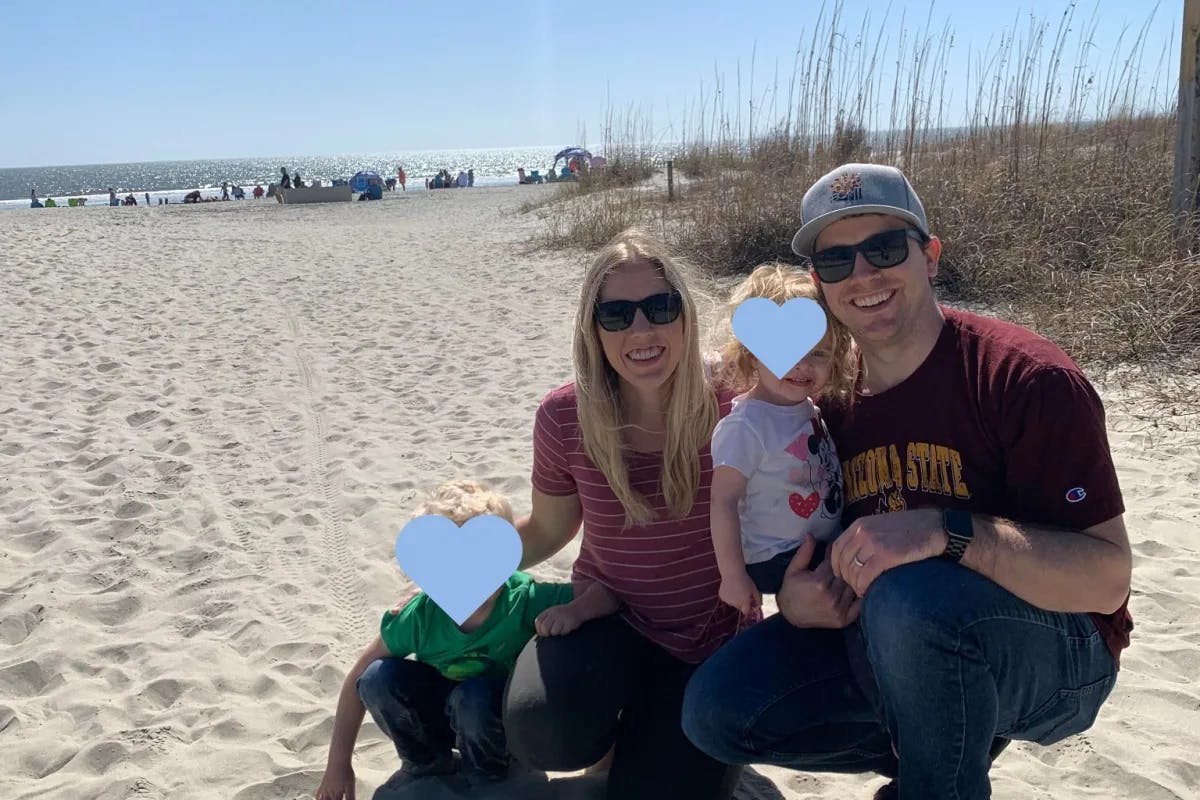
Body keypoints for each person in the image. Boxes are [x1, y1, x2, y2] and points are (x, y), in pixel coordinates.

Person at [681, 163, 1134, 800]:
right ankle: (933, 758)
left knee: (910, 594)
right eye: (837, 261)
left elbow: (1108, 580)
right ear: (820, 284)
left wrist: (945, 533)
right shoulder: (823, 399)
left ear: (931, 256)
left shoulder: (1023, 380)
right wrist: (796, 595)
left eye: (885, 248)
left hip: (1061, 650)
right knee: (718, 707)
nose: (863, 275)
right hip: (892, 642)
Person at [502, 228, 746, 800]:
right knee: (543, 730)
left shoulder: (738, 401)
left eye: (660, 307)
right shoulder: (564, 416)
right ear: (593, 328)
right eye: (617, 314)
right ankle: (619, 725)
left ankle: (657, 731)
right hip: (606, 617)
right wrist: (459, 574)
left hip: (710, 637)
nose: (642, 330)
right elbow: (549, 529)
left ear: (685, 315)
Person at [314, 480, 619, 800]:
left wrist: (577, 611)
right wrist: (338, 764)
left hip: (494, 720)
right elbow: (356, 681)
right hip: (441, 718)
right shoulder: (420, 615)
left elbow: (606, 594)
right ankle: (424, 764)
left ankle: (490, 774)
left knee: (473, 695)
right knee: (377, 677)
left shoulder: (523, 598)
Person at [709, 264, 855, 616]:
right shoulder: (747, 424)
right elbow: (723, 501)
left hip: (816, 540)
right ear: (752, 354)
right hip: (775, 555)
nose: (801, 365)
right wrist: (732, 576)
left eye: (817, 353)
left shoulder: (806, 408)